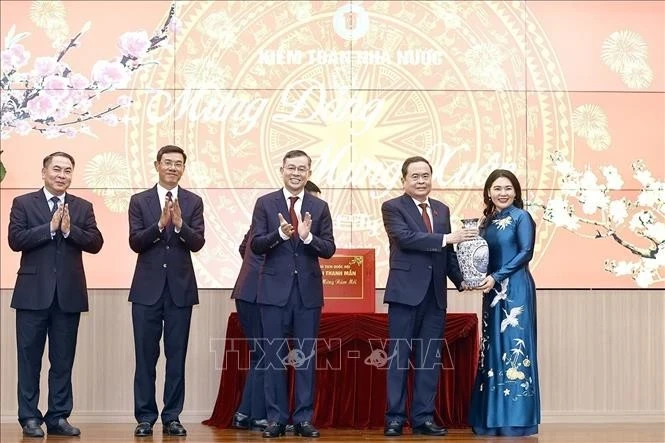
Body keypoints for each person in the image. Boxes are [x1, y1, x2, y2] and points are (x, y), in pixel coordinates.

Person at [8, 151, 104, 438]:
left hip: (69, 295)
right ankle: (29, 418)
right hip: (32, 294)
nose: (62, 175)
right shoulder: (23, 203)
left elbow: (96, 242)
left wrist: (69, 229)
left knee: (62, 361)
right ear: (44, 171)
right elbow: (15, 240)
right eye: (57, 169)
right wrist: (49, 229)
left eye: (67, 171)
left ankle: (58, 416)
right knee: (29, 360)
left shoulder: (83, 206)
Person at [381, 156, 477, 437]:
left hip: (434, 297)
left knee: (429, 359)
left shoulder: (441, 210)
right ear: (404, 180)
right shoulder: (392, 207)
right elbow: (406, 238)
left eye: (426, 176)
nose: (421, 181)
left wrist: (464, 280)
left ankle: (422, 417)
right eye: (415, 176)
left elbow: (446, 255)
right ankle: (395, 418)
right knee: (399, 358)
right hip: (404, 295)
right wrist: (447, 238)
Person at [250, 151, 335, 438]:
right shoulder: (265, 204)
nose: (296, 173)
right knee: (273, 357)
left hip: (307, 294)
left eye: (302, 168)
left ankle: (303, 418)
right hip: (273, 293)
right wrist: (282, 235)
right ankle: (275, 418)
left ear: (309, 173)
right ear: (281, 170)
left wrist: (308, 237)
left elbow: (329, 249)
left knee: (305, 358)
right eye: (291, 168)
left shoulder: (319, 207)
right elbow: (256, 245)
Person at [231, 181, 322, 433]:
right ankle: (261, 415)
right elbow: (251, 247)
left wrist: (306, 237)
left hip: (289, 293)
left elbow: (243, 248)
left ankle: (246, 412)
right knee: (266, 355)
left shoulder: (312, 217)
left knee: (266, 356)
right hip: (258, 292)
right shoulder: (268, 211)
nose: (307, 214)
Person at [128, 145, 205, 437]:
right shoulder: (139, 201)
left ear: (183, 168)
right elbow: (136, 242)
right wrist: (160, 225)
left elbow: (197, 242)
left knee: (177, 356)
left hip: (180, 291)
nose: (173, 167)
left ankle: (172, 416)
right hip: (146, 291)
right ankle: (145, 416)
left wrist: (180, 224)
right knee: (145, 357)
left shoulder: (194, 201)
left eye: (178, 164)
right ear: (157, 164)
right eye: (168, 162)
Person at [468, 169, 540, 436]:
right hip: (491, 290)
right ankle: (491, 417)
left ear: (516, 192)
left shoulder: (522, 217)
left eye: (508, 188)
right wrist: (472, 276)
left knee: (513, 345)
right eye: (497, 188)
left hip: (516, 288)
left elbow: (526, 252)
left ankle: (515, 419)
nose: (503, 193)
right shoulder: (487, 221)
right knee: (493, 347)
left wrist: (496, 276)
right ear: (489, 192)